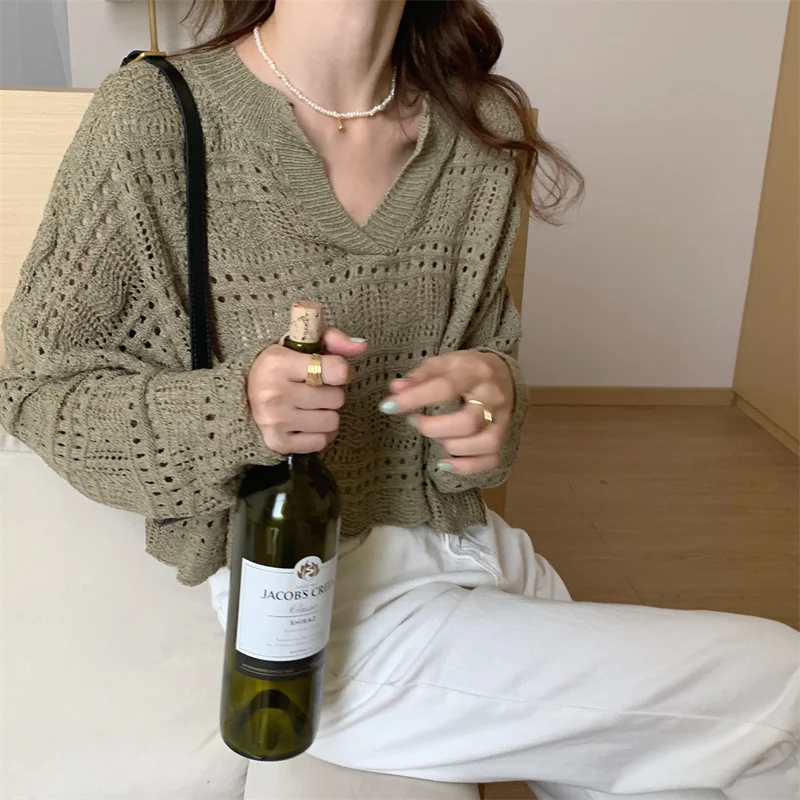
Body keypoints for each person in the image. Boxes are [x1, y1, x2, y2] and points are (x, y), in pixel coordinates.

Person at [1, 1, 797, 797]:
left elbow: (486, 360)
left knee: (690, 779)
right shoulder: (154, 116)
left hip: (485, 556)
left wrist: (492, 403)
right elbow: (30, 385)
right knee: (784, 686)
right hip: (321, 617)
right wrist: (234, 410)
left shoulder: (480, 124)